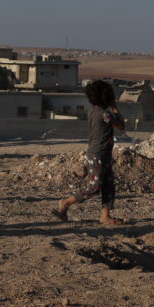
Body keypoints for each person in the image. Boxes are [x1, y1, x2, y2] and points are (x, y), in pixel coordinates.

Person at [54, 80, 125, 225]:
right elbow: (121, 126)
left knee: (108, 185)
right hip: (98, 155)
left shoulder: (93, 111)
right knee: (94, 186)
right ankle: (66, 202)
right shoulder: (105, 114)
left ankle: (105, 216)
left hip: (102, 154)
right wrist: (115, 107)